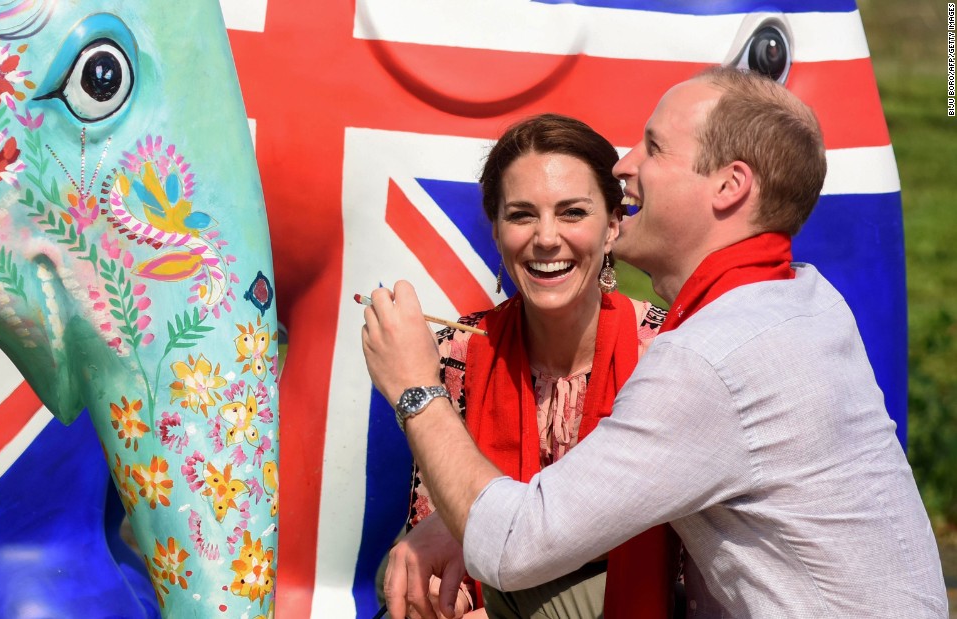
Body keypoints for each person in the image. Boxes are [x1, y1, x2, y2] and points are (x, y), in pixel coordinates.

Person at [361, 66, 949, 619]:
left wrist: (415, 388)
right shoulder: (804, 299)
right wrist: (461, 522)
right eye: (521, 215)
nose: (625, 165)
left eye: (655, 148)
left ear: (729, 185)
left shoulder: (709, 357)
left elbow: (514, 544)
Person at [391, 113, 677, 619]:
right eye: (522, 215)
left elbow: (680, 559)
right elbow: (436, 523)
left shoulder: (667, 351)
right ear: (497, 232)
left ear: (612, 225)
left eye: (572, 213)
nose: (546, 238)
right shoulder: (455, 352)